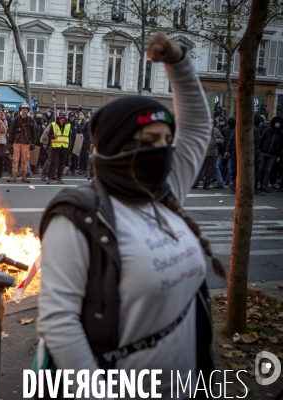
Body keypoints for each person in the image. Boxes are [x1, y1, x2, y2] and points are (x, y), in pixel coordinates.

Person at [37, 33, 221, 398]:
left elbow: (198, 126)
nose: (163, 151)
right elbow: (59, 324)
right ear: (117, 148)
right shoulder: (77, 218)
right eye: (149, 140)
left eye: (166, 140)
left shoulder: (166, 190)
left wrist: (178, 62)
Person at [7, 103, 36, 183]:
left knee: (25, 160)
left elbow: (34, 132)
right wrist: (10, 143)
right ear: (20, 110)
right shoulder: (16, 119)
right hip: (17, 142)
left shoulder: (30, 120)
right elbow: (11, 131)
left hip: (26, 143)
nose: (24, 111)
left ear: (28, 110)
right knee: (15, 160)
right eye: (22, 109)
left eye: (25, 109)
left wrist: (33, 142)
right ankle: (14, 175)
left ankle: (24, 176)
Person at [42, 110, 71, 184]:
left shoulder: (68, 125)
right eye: (61, 118)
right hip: (56, 146)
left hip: (64, 147)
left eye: (64, 118)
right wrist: (53, 136)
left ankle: (59, 177)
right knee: (53, 162)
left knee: (61, 163)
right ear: (58, 118)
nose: (62, 119)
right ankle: (50, 177)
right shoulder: (53, 125)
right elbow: (49, 135)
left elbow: (70, 137)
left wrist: (69, 147)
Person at [192, 123, 223, 190]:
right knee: (199, 169)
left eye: (211, 123)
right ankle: (195, 184)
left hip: (213, 153)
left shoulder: (216, 131)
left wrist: (219, 141)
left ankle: (206, 185)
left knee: (209, 170)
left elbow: (222, 139)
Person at [258, 115, 283, 193]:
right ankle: (260, 184)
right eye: (276, 122)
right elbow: (261, 140)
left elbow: (281, 145)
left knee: (268, 171)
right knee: (261, 169)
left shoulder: (281, 133)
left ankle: (265, 185)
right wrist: (260, 150)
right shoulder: (267, 130)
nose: (277, 123)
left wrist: (279, 155)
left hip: (273, 154)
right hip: (264, 152)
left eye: (279, 122)